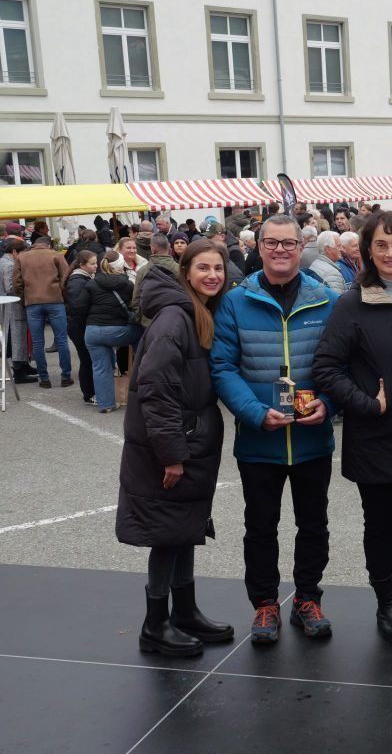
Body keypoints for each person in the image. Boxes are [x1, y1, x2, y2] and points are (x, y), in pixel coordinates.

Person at [210, 215, 339, 645]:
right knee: (260, 526)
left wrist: (329, 402)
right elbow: (223, 366)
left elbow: (340, 365)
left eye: (289, 243)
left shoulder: (325, 299)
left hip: (311, 441)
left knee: (313, 524)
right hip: (259, 441)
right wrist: (252, 412)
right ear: (259, 247)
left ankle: (307, 598)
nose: (281, 250)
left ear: (302, 246)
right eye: (272, 243)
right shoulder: (236, 300)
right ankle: (265, 603)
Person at [313, 211, 392, 644]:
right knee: (380, 522)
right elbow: (326, 369)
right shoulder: (353, 303)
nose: (390, 252)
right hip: (376, 434)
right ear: (368, 250)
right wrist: (367, 404)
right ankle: (385, 600)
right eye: (381, 245)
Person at [116, 243, 234, 657]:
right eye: (203, 267)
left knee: (184, 528)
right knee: (167, 535)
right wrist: (171, 453)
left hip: (188, 440)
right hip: (169, 446)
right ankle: (155, 624)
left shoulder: (195, 312)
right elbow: (156, 390)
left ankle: (184, 611)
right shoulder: (173, 319)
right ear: (185, 271)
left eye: (218, 268)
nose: (213, 275)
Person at [83, 252, 141, 412]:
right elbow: (134, 307)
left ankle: (106, 404)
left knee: (100, 367)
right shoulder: (128, 285)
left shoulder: (91, 284)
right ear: (121, 266)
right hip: (118, 331)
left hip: (92, 331)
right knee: (141, 333)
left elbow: (80, 308)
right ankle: (142, 367)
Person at [12, 235, 72, 389]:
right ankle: (66, 377)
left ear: (33, 245)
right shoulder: (56, 255)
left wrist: (24, 297)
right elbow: (66, 279)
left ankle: (44, 379)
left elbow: (17, 282)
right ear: (48, 245)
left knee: (38, 343)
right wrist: (63, 297)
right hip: (55, 301)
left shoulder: (22, 258)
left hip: (32, 302)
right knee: (62, 340)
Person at [64, 250, 98, 404]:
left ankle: (91, 392)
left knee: (89, 359)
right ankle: (89, 394)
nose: (96, 266)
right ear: (82, 265)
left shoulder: (85, 278)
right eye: (92, 264)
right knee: (87, 360)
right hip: (79, 327)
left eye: (96, 263)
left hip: (80, 325)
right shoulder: (77, 281)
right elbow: (77, 307)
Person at [0, 235, 36, 383]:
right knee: (17, 337)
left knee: (18, 336)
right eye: (22, 253)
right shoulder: (9, 265)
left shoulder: (4, 261)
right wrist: (27, 287)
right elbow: (9, 287)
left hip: (10, 305)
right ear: (14, 252)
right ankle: (19, 371)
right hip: (12, 306)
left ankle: (23, 365)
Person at [131, 234, 180, 327]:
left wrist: (141, 319)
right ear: (169, 247)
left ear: (152, 248)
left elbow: (136, 299)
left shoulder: (142, 271)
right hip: (175, 319)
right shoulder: (179, 270)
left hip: (149, 322)